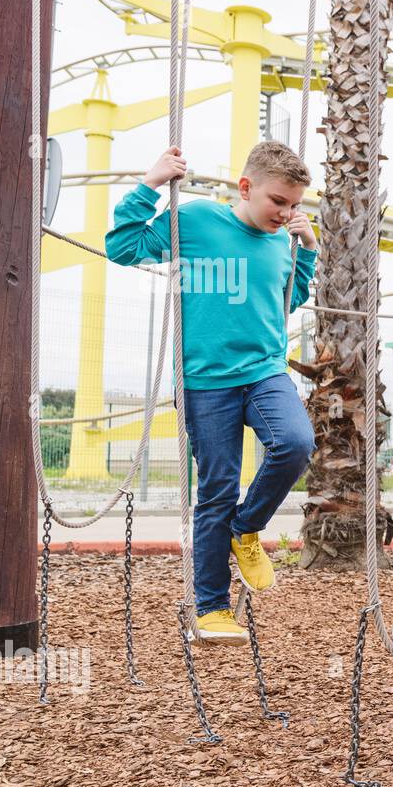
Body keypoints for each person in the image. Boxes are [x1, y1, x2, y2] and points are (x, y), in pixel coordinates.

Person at [106, 141, 319, 645]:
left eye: (293, 205)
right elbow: (123, 247)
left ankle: (246, 529)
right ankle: (212, 608)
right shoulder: (198, 221)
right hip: (205, 382)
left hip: (265, 371)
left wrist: (307, 251)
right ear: (246, 188)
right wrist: (151, 183)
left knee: (295, 443)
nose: (286, 213)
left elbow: (292, 298)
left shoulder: (282, 241)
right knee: (216, 489)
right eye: (277, 201)